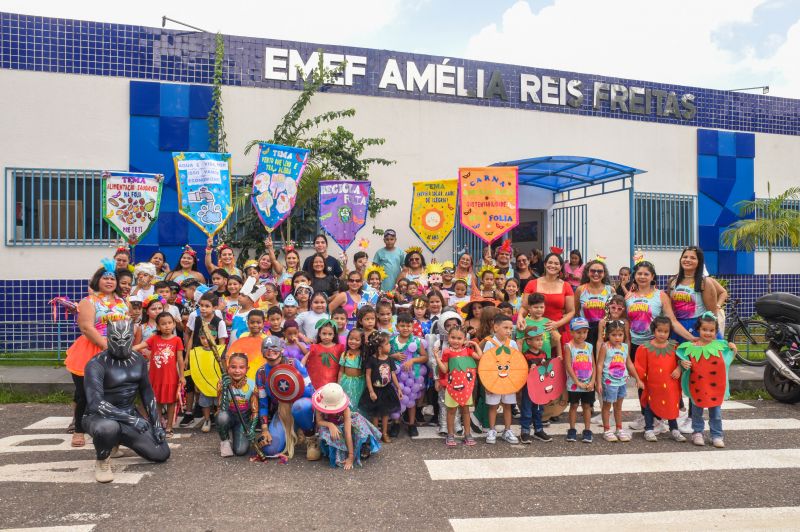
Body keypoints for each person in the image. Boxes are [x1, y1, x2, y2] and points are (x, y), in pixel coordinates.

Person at [82, 320, 170, 482]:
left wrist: (156, 425)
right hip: (100, 417)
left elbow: (147, 393)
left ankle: (116, 441)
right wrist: (132, 420)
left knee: (161, 453)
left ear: (133, 337)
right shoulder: (96, 364)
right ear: (108, 338)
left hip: (129, 414)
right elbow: (95, 403)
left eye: (126, 338)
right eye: (116, 339)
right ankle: (102, 459)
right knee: (108, 428)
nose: (122, 344)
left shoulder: (139, 360)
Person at [64, 259, 129, 448]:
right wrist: (107, 346)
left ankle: (112, 429)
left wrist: (123, 347)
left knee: (112, 393)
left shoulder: (121, 302)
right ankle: (78, 429)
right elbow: (86, 328)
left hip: (116, 350)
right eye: (105, 278)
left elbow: (126, 325)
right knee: (84, 393)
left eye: (112, 279)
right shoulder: (88, 301)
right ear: (97, 281)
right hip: (91, 350)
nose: (109, 281)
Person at [677, 312, 734, 448]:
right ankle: (697, 432)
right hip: (697, 385)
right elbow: (682, 360)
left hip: (715, 387)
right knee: (697, 412)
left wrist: (734, 349)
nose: (708, 333)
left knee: (716, 413)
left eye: (711, 330)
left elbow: (728, 359)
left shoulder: (721, 346)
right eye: (704, 330)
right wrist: (682, 363)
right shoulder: (691, 346)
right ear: (698, 329)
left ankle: (717, 435)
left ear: (716, 331)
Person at [635, 317, 686, 443]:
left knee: (672, 404)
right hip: (652, 384)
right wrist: (639, 379)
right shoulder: (645, 348)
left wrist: (679, 368)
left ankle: (674, 429)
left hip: (670, 384)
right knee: (649, 405)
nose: (662, 334)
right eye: (659, 331)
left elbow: (682, 360)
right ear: (654, 330)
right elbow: (640, 365)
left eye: (666, 331)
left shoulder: (675, 347)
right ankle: (649, 429)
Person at [135, 312, 184, 438]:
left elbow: (180, 359)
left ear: (173, 324)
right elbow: (140, 346)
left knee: (171, 401)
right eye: (163, 324)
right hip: (155, 377)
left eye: (169, 323)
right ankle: (157, 425)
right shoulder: (154, 338)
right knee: (156, 402)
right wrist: (124, 349)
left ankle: (169, 427)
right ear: (158, 326)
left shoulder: (177, 340)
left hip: (171, 377)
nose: (167, 326)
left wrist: (182, 376)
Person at [432, 326, 482, 447]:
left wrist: (476, 345)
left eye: (459, 338)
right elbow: (444, 369)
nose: (456, 341)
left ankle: (467, 434)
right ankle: (450, 435)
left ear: (464, 339)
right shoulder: (447, 352)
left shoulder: (468, 351)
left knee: (465, 411)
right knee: (451, 411)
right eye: (453, 337)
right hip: (452, 386)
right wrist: (437, 357)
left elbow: (480, 357)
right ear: (448, 338)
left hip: (466, 387)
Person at [314, 382, 382, 469]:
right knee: (329, 432)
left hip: (345, 423)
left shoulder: (346, 409)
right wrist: (330, 425)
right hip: (331, 426)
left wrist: (350, 456)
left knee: (359, 425)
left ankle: (364, 446)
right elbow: (319, 421)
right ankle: (335, 450)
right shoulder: (320, 404)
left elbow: (347, 432)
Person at [596, 320, 643, 442]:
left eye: (620, 335)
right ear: (607, 335)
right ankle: (606, 430)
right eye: (614, 335)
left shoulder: (625, 347)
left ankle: (619, 428)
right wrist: (598, 381)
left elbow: (629, 364)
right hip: (609, 382)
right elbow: (600, 365)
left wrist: (637, 378)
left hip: (621, 381)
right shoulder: (605, 347)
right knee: (607, 406)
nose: (617, 338)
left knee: (618, 407)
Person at [519, 251, 576, 343]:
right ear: (545, 264)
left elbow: (571, 311)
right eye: (550, 262)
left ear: (561, 267)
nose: (552, 265)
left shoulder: (566, 286)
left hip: (559, 330)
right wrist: (520, 317)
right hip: (535, 331)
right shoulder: (532, 284)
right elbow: (524, 307)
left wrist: (557, 324)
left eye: (556, 263)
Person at [481, 314, 520, 444]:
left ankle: (507, 430)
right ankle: (492, 430)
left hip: (508, 381)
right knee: (493, 406)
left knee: (508, 405)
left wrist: (516, 382)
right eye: (505, 328)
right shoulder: (490, 344)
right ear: (496, 327)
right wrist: (487, 384)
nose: (509, 331)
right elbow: (485, 365)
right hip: (493, 381)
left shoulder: (512, 343)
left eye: (510, 328)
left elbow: (517, 363)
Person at [667, 246, 719, 341]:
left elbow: (712, 315)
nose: (687, 260)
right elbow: (670, 309)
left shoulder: (705, 283)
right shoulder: (672, 281)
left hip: (698, 329)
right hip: (678, 329)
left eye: (693, 258)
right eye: (685, 257)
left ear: (699, 262)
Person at [390, 313, 428, 437]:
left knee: (411, 400)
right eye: (402, 326)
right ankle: (396, 423)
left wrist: (412, 360)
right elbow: (384, 356)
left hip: (411, 377)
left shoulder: (416, 341)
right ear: (397, 327)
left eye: (408, 326)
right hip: (396, 376)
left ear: (413, 327)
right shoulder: (391, 340)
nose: (405, 328)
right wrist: (393, 356)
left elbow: (424, 357)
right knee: (396, 398)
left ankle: (412, 424)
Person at [360, 332, 402, 443]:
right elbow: (368, 376)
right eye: (388, 344)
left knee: (385, 414)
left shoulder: (389, 359)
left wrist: (398, 388)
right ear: (379, 348)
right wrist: (371, 391)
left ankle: (384, 433)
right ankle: (375, 434)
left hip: (387, 390)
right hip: (375, 390)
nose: (390, 346)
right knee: (375, 414)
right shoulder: (371, 360)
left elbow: (392, 374)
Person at [217, 353, 258, 457]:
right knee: (222, 417)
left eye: (241, 367)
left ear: (247, 369)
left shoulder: (252, 385)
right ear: (228, 367)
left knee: (240, 451)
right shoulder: (222, 383)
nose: (237, 371)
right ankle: (225, 441)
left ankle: (238, 433)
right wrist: (225, 389)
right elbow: (221, 408)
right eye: (233, 367)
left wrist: (252, 429)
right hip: (228, 415)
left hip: (243, 420)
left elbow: (255, 411)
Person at [518, 327, 553, 443]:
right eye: (537, 340)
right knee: (527, 409)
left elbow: (548, 370)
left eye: (541, 339)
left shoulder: (544, 354)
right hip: (529, 387)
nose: (540, 342)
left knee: (539, 409)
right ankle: (525, 431)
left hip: (540, 387)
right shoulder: (525, 356)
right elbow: (521, 371)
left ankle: (538, 429)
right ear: (529, 342)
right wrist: (529, 369)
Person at [564, 317, 595, 443]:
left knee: (587, 406)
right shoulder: (569, 346)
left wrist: (593, 381)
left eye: (585, 332)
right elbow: (568, 365)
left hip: (588, 383)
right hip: (574, 384)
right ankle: (572, 429)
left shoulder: (589, 346)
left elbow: (593, 364)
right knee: (574, 405)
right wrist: (577, 382)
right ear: (571, 332)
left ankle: (587, 430)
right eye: (578, 332)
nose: (582, 335)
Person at [574, 259, 615, 349]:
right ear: (588, 273)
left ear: (604, 274)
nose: (596, 273)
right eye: (593, 271)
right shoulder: (580, 290)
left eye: (600, 271)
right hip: (585, 332)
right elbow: (576, 312)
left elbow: (614, 312)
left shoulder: (610, 290)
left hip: (605, 330)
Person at [303, 319, 344, 391]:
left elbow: (343, 366)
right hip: (316, 382)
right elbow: (304, 360)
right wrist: (301, 371)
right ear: (319, 334)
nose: (327, 337)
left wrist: (340, 382)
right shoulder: (314, 347)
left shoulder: (339, 348)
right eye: (324, 333)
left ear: (334, 335)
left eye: (330, 334)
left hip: (333, 383)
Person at [339, 328, 367, 411]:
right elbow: (341, 370)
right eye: (351, 339)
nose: (353, 341)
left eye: (357, 340)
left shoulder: (364, 355)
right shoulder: (345, 354)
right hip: (346, 382)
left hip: (360, 383)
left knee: (358, 402)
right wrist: (339, 383)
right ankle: (346, 419)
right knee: (346, 401)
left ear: (362, 341)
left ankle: (357, 421)